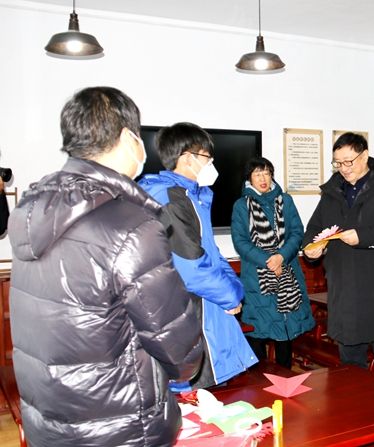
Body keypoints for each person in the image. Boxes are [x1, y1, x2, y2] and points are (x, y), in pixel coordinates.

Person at [8, 87, 203, 447]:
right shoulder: (129, 225)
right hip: (120, 422)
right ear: (129, 139)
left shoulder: (32, 209)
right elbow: (179, 350)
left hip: (48, 418)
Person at [139, 122, 257, 389]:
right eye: (207, 157)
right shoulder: (171, 197)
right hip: (186, 312)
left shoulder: (193, 196)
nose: (211, 164)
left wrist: (234, 290)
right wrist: (230, 296)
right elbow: (191, 267)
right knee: (192, 394)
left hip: (206, 306)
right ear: (187, 158)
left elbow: (210, 251)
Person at [302, 132, 374, 382]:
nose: (344, 168)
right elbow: (314, 227)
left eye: (348, 161)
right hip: (345, 286)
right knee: (350, 365)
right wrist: (310, 247)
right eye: (338, 163)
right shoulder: (332, 191)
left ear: (365, 156)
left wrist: (362, 236)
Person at [231, 157, 315, 368]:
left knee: (285, 331)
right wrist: (268, 260)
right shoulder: (241, 205)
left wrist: (281, 257)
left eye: (267, 173)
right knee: (258, 332)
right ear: (249, 178)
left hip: (287, 273)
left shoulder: (285, 200)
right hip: (257, 278)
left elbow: (297, 232)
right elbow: (240, 241)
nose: (263, 178)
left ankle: (285, 378)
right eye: (258, 174)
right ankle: (259, 380)